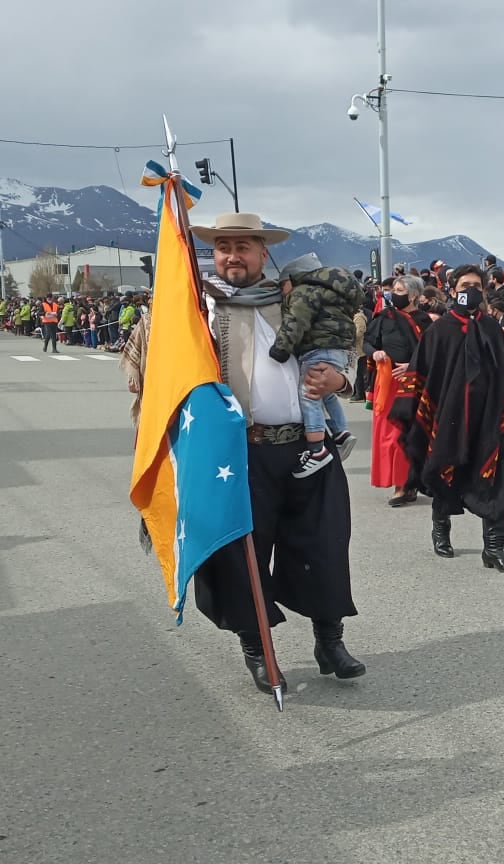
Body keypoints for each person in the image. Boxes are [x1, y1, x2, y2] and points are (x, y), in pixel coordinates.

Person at [132, 212, 363, 695]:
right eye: (223, 248)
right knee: (242, 557)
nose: (232, 256)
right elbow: (153, 376)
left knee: (322, 546)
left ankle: (330, 641)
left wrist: (341, 380)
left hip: (307, 449)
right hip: (237, 454)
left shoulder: (294, 297)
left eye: (243, 247)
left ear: (263, 253)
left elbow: (343, 345)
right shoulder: (196, 309)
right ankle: (257, 651)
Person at [392, 265, 504, 574]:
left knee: (497, 479)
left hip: (489, 420)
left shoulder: (492, 329)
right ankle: (441, 529)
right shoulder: (439, 331)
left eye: (477, 285)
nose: (472, 289)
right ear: (453, 290)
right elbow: (422, 373)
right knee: (444, 472)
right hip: (449, 420)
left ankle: (494, 549)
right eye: (466, 284)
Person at [267, 253, 360, 478]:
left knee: (309, 393)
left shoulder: (303, 292)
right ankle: (340, 431)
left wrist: (280, 349)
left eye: (283, 285)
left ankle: (317, 450)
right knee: (324, 394)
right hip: (336, 348)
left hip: (317, 348)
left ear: (294, 278)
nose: (282, 292)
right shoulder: (332, 293)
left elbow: (296, 321)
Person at [364, 274, 432, 507]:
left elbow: (433, 352)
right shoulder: (384, 317)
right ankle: (401, 483)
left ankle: (405, 485)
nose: (395, 293)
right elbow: (368, 342)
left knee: (404, 434)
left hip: (413, 384)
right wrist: (375, 353)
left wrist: (411, 367)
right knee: (386, 435)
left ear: (414, 295)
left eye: (401, 290)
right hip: (387, 382)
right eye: (394, 289)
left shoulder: (425, 321)